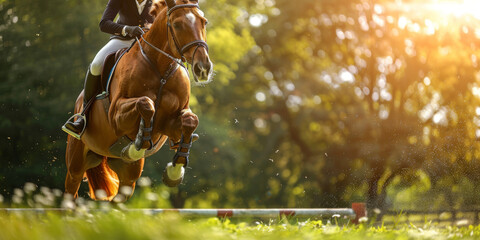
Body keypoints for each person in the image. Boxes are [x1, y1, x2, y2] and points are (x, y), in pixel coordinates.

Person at [63, 0, 155, 138]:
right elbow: (104, 23)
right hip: (123, 40)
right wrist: (127, 29)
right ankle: (83, 116)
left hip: (149, 45)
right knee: (96, 64)